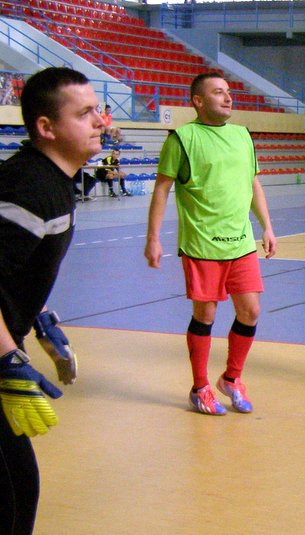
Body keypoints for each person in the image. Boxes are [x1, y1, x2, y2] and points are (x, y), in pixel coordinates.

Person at [0, 67, 98, 535]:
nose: (100, 120)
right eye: (84, 113)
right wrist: (7, 360)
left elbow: (11, 268)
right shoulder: (28, 189)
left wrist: (39, 317)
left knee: (19, 487)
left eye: (98, 109)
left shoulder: (56, 181)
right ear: (46, 127)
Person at [144, 72, 277, 416]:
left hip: (241, 243)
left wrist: (267, 226)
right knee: (205, 315)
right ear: (198, 101)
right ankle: (200, 386)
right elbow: (162, 189)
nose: (228, 97)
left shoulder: (242, 135)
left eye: (229, 92)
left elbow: (253, 183)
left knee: (251, 311)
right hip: (202, 244)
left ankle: (231, 379)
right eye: (218, 93)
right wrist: (153, 238)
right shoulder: (182, 139)